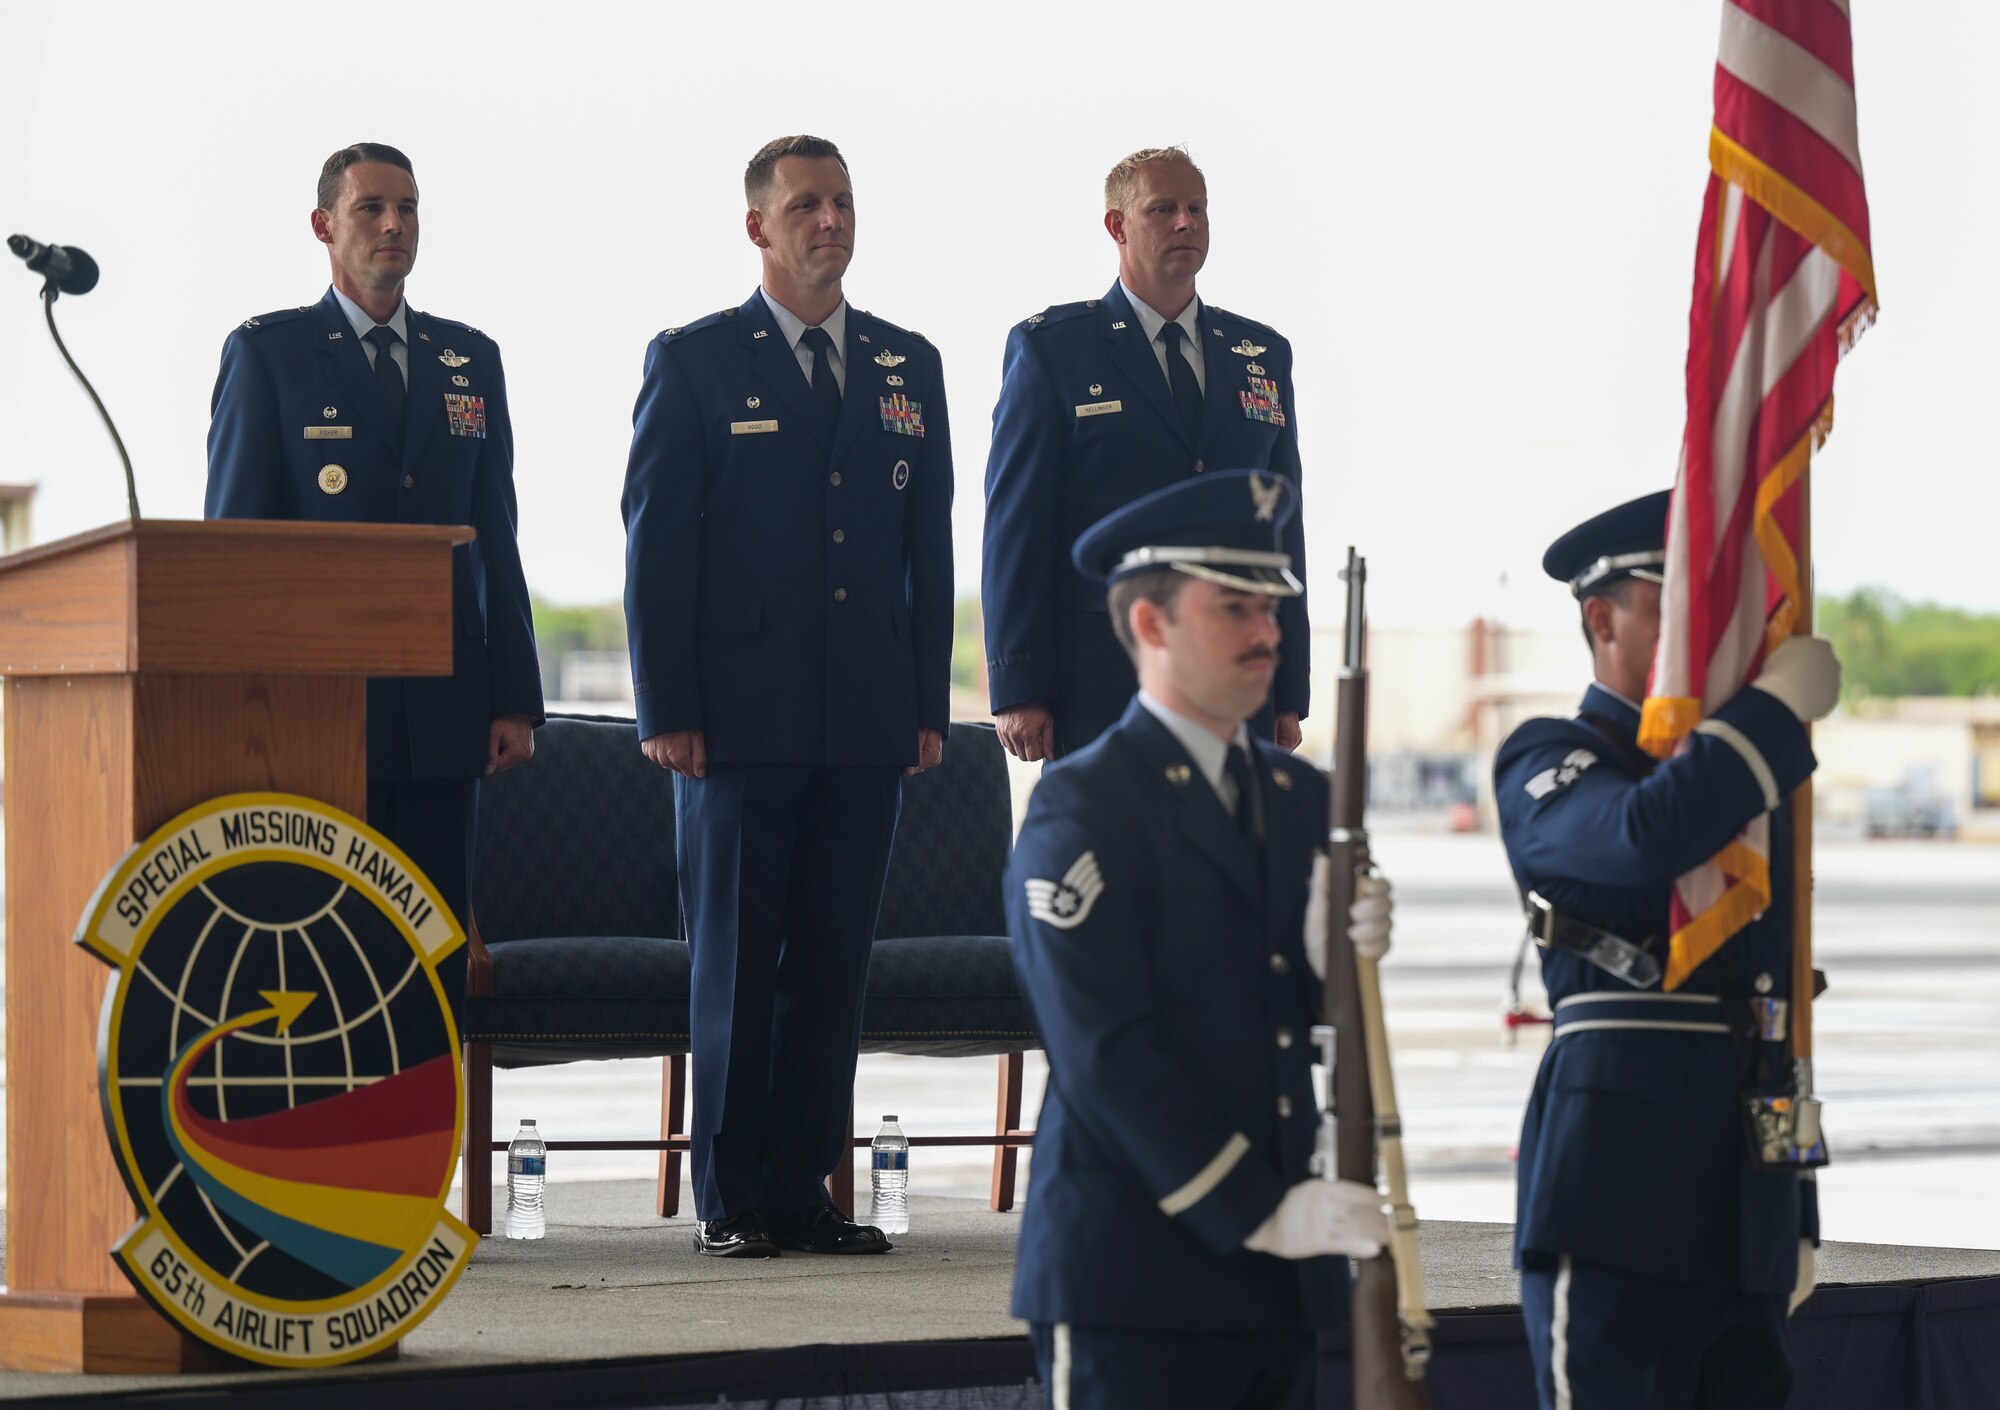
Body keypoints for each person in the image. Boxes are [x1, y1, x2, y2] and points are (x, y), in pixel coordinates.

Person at [622, 134, 953, 1258]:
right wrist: (664, 703)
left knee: (828, 964)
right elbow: (656, 547)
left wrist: (925, 700)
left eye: (843, 203)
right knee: (736, 962)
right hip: (734, 720)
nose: (829, 221)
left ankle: (806, 1191)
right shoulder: (698, 362)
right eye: (805, 204)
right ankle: (730, 1196)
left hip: (863, 715)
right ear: (757, 226)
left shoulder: (908, 366)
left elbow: (926, 548)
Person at [1007, 470, 1390, 1409]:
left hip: (1277, 1285)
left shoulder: (1302, 800)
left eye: (1271, 609)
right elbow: (1104, 1054)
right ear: (1150, 624)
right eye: (1235, 609)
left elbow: (1294, 1016)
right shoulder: (1085, 801)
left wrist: (1336, 966)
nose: (1268, 634)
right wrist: (1260, 1210)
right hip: (1135, 1275)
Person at [1496, 490, 1840, 1408]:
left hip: (1747, 1204)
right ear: (1601, 617)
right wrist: (1771, 715)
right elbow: (1646, 835)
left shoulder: (1745, 783)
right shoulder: (1549, 756)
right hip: (1616, 1203)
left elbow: (1775, 1009)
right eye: (1682, 607)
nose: (1713, 636)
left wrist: (1793, 1199)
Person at [205, 141, 543, 1008]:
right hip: (321, 721)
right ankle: (318, 1143)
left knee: (428, 969)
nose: (395, 225)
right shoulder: (269, 355)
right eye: (370, 208)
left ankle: (418, 1144)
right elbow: (236, 556)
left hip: (446, 713)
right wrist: (248, 717)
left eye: (409, 208)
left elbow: (496, 538)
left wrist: (513, 696)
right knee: (320, 965)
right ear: (324, 225)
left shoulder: (469, 360)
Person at [982, 145, 1310, 764]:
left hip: (1232, 677)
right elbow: (1017, 527)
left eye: (1197, 209)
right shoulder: (1053, 350)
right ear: (1118, 225)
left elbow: (1282, 532)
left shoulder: (1260, 356)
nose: (1186, 223)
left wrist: (1289, 684)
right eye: (1163, 209)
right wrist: (1019, 684)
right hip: (1099, 675)